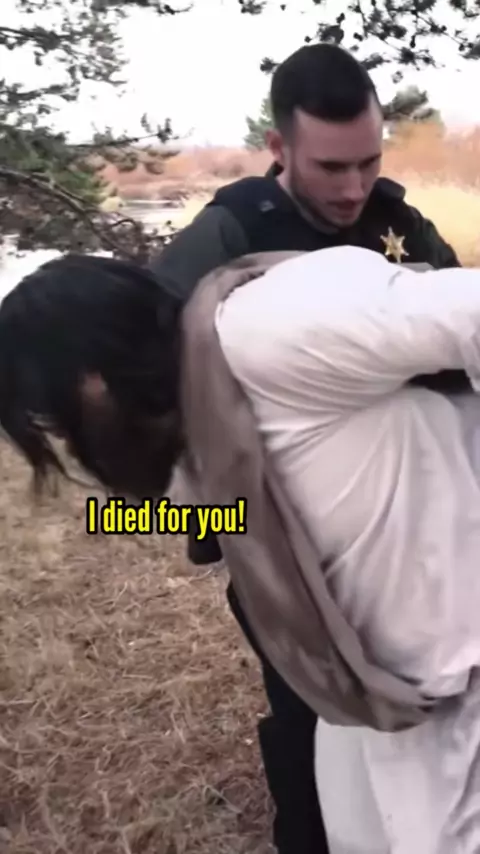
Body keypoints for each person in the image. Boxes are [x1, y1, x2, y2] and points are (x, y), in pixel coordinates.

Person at [0, 246, 480, 853]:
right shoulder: (193, 424)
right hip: (373, 699)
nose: (67, 441)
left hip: (464, 677)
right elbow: (238, 517)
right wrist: (108, 518)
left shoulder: (271, 330)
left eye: (56, 416)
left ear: (91, 375)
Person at [148, 41, 461, 854]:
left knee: (417, 704)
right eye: (330, 167)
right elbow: (161, 398)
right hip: (286, 538)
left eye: (368, 162)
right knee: (311, 705)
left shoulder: (398, 224)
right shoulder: (225, 238)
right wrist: (213, 521)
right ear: (279, 148)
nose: (353, 188)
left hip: (397, 525)